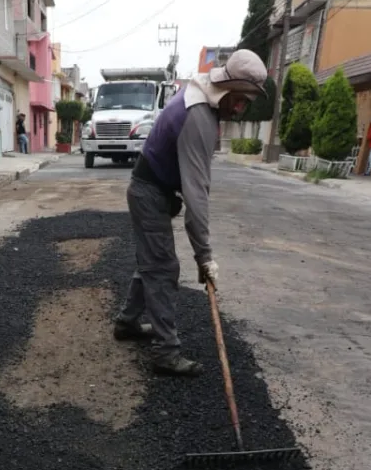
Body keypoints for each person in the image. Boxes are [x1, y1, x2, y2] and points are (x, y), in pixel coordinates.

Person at [113, 49, 267, 375]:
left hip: (154, 189)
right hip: (148, 191)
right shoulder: (199, 115)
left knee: (153, 262)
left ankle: (127, 323)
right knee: (163, 268)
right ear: (226, 88)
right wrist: (204, 256)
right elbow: (198, 196)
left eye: (247, 103)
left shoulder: (200, 91)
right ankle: (165, 353)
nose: (240, 108)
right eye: (239, 99)